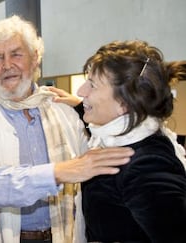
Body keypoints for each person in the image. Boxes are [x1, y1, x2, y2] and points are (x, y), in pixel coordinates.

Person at [0, 15, 134, 243]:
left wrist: (82, 107)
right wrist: (58, 172)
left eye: (16, 54)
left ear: (35, 58)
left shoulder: (62, 108)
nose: (7, 65)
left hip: (65, 235)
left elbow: (98, 158)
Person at [50, 40, 186, 243]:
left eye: (92, 85)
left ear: (124, 103)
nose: (81, 91)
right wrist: (82, 106)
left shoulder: (146, 163)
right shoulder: (122, 135)